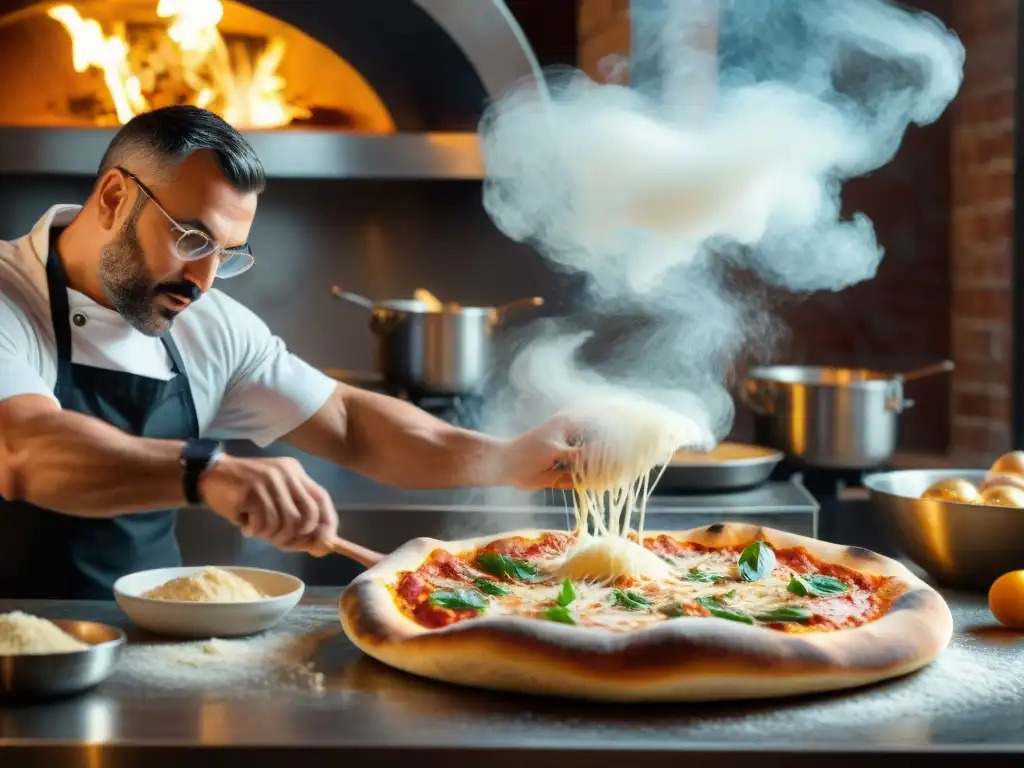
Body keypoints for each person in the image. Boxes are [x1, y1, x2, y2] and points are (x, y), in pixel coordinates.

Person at [0, 105, 578, 600]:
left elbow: (350, 425)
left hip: (147, 642)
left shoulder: (209, 325)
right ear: (114, 197)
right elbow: (24, 450)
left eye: (226, 254)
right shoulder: (9, 293)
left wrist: (506, 458)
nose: (203, 280)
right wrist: (210, 473)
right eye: (191, 239)